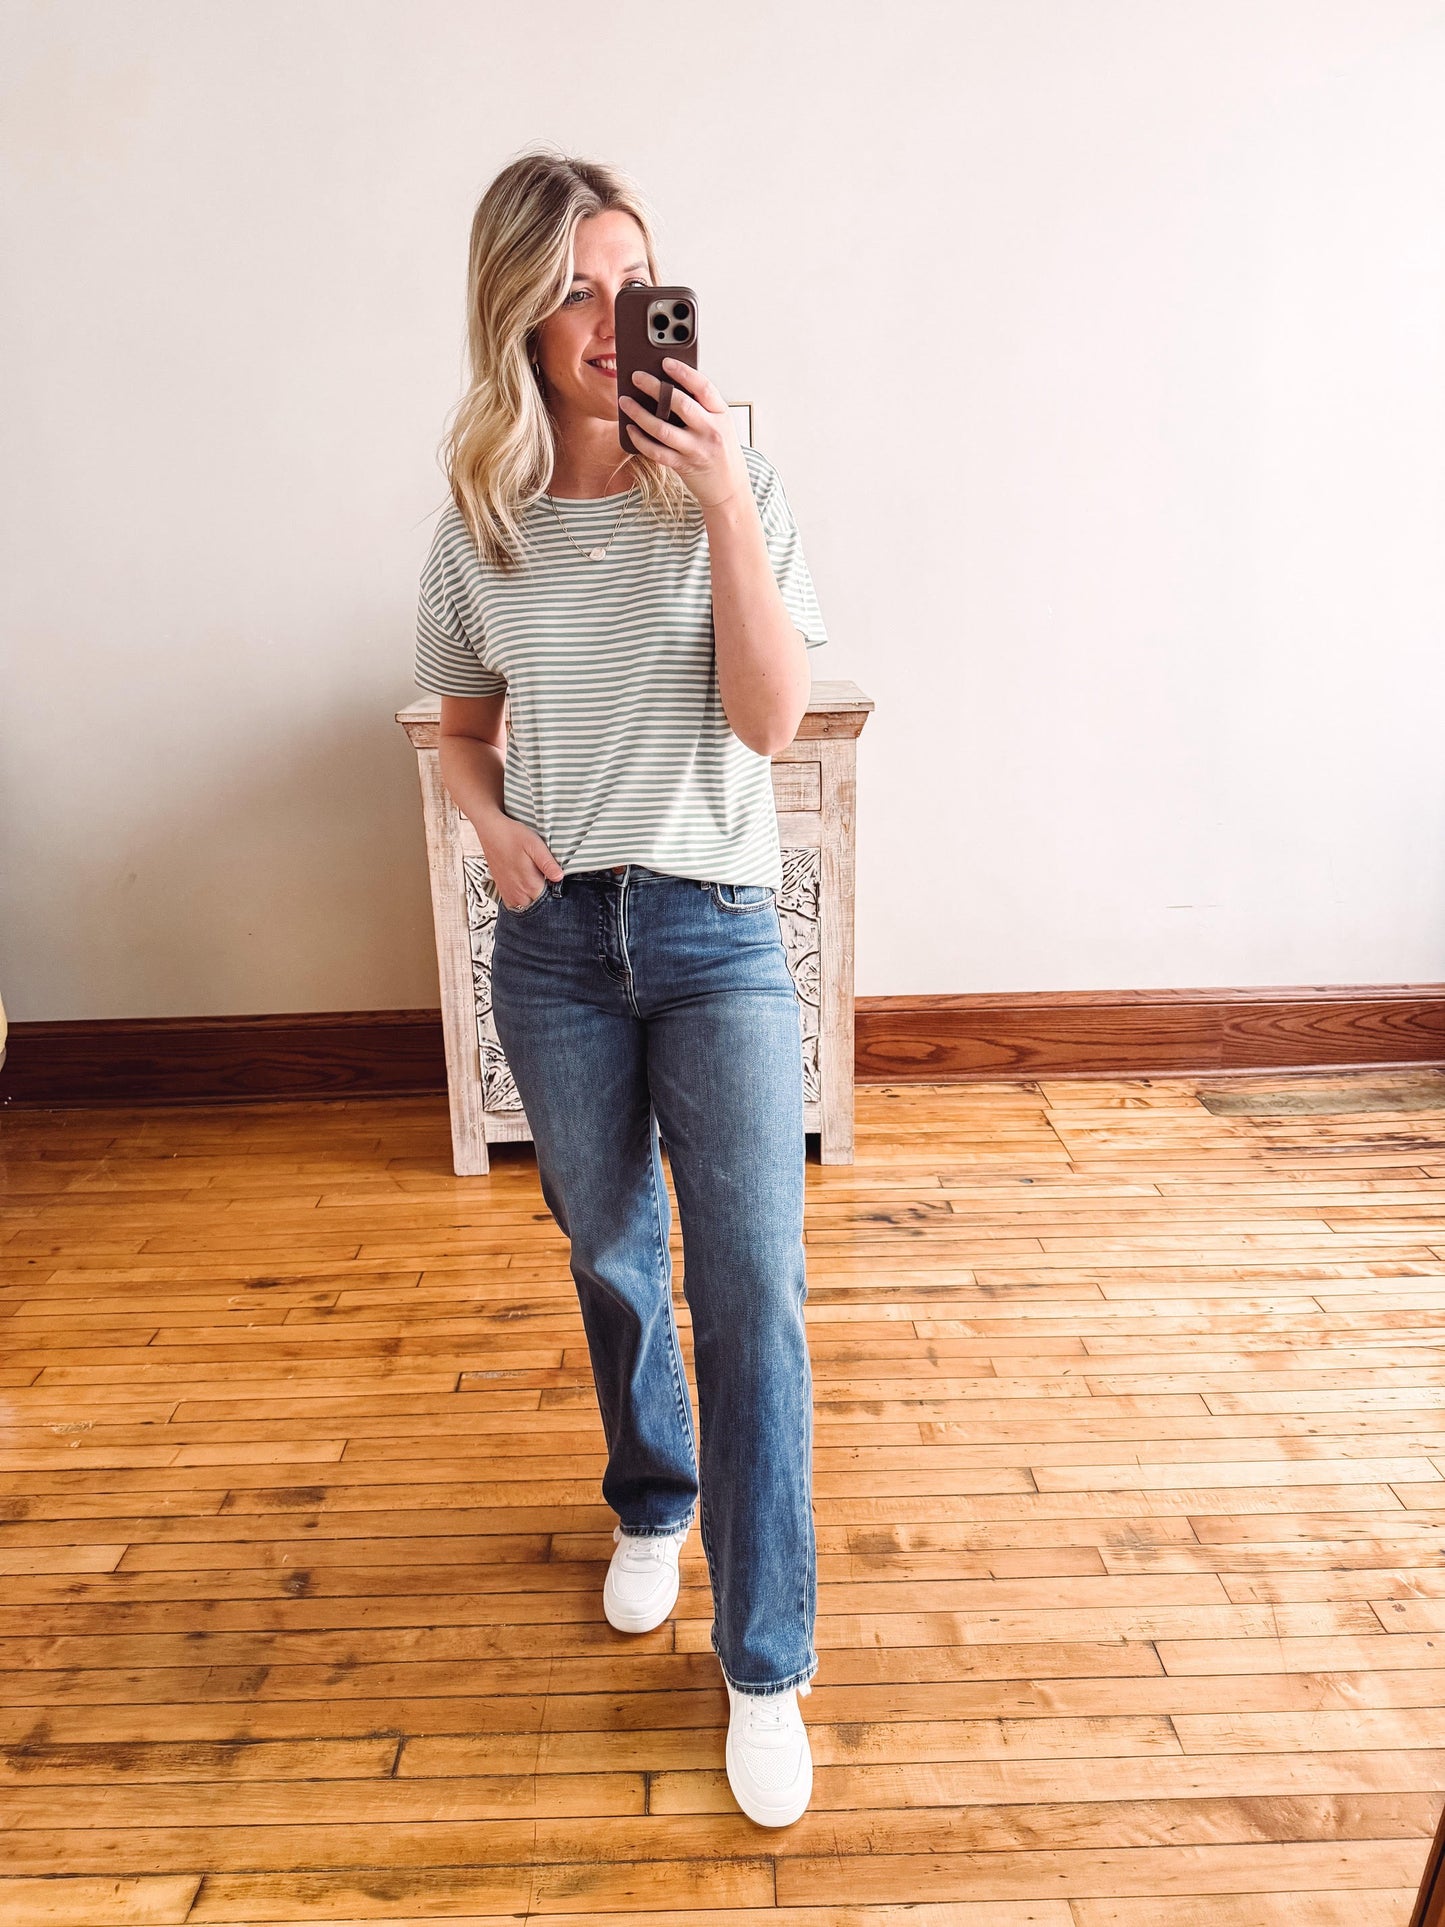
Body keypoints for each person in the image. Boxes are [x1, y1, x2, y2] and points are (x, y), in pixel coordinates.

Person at [413, 146, 830, 1827]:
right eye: (574, 292)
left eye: (633, 285)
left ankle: (767, 1663)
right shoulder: (481, 526)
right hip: (558, 949)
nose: (609, 320)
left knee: (753, 1295)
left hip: (716, 935)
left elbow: (769, 722)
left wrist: (722, 499)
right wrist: (492, 825)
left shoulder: (736, 484)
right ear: (516, 315)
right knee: (607, 1253)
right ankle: (653, 1499)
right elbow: (458, 732)